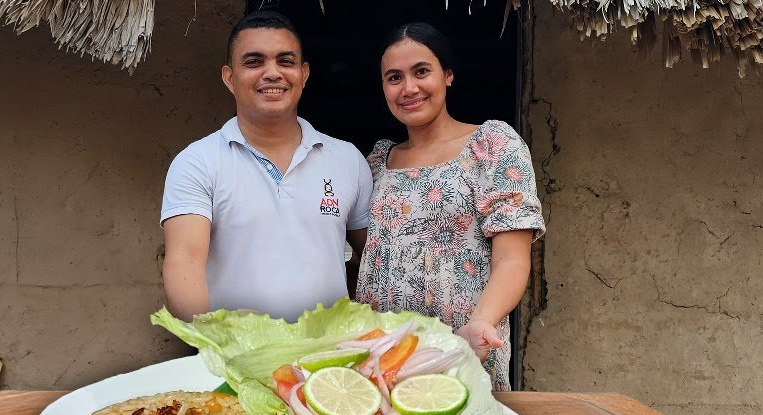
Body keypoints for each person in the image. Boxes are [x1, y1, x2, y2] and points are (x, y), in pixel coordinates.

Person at [356, 22, 544, 390]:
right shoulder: (376, 163)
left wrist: (481, 323)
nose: (409, 88)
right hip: (383, 353)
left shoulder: (492, 146)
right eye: (394, 77)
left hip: (462, 350)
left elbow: (512, 258)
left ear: (448, 76)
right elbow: (365, 254)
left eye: (421, 71)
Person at [161, 11, 372, 321]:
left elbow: (375, 260)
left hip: (328, 357)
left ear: (304, 74)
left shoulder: (346, 159)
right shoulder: (198, 162)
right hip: (238, 359)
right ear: (229, 77)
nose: (272, 73)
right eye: (254, 62)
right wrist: (222, 334)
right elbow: (184, 262)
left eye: (285, 61)